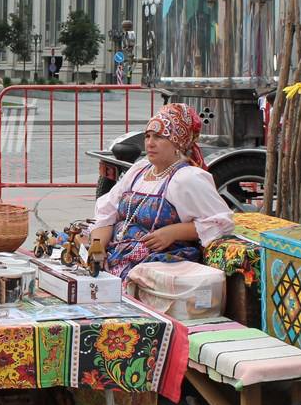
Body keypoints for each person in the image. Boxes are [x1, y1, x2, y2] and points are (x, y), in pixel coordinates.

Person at [88, 103, 232, 281]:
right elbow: (107, 211)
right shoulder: (139, 170)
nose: (150, 143)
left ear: (176, 143)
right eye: (147, 136)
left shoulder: (187, 178)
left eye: (159, 137)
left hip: (156, 264)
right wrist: (97, 247)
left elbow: (220, 222)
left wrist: (173, 232)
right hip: (116, 250)